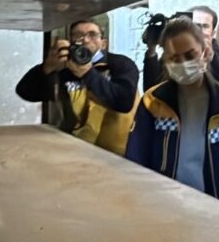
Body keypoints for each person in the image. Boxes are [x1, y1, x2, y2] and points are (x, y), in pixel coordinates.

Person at [126, 17, 219, 213]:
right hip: (165, 207)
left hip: (218, 210)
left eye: (190, 55)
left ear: (204, 52)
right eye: (175, 58)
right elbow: (136, 159)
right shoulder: (152, 103)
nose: (183, 63)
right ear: (165, 61)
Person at [16, 20, 139, 156]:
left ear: (103, 43)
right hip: (74, 149)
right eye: (78, 35)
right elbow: (25, 92)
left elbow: (124, 103)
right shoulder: (64, 69)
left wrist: (87, 73)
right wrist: (47, 67)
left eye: (92, 35)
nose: (85, 40)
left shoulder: (120, 64)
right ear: (70, 41)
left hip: (116, 153)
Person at [142, 5, 219, 91]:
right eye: (195, 26)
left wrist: (212, 58)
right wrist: (151, 51)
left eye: (205, 26)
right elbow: (151, 90)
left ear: (212, 33)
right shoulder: (174, 56)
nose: (199, 30)